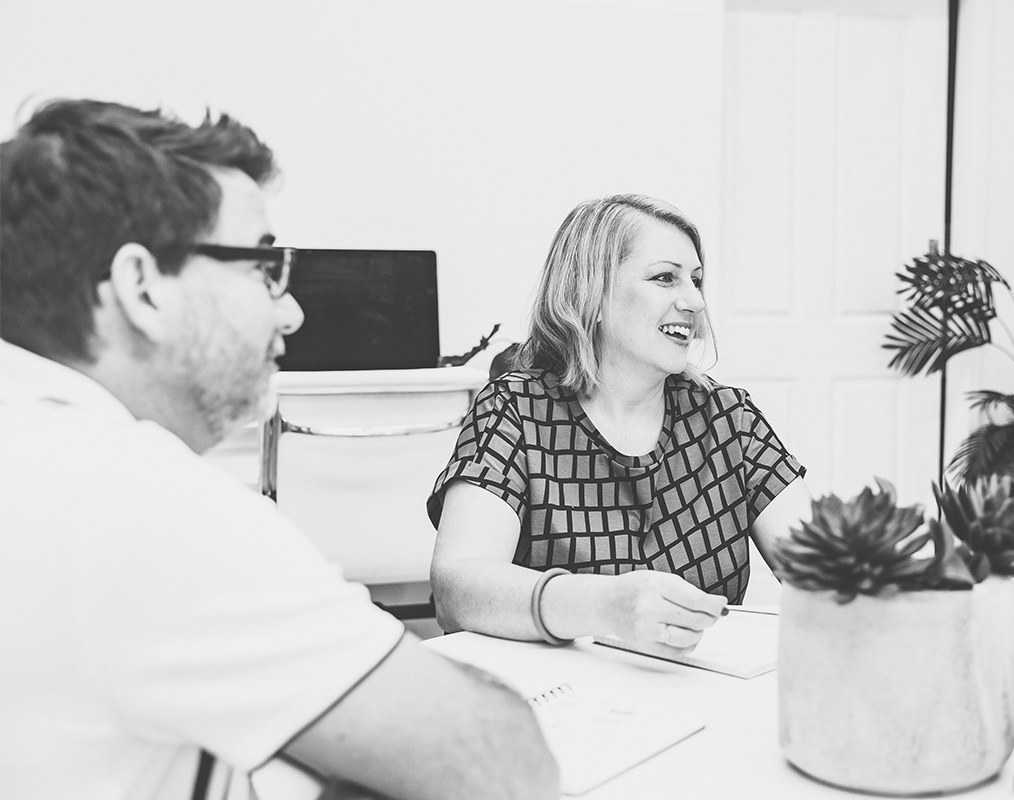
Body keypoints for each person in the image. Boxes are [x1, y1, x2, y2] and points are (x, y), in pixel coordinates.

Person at [0, 99, 557, 800]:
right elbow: (503, 768)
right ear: (142, 287)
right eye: (265, 267)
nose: (290, 311)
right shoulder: (141, 504)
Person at [428, 194, 812, 653]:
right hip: (560, 700)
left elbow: (822, 571)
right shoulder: (515, 409)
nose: (694, 302)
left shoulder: (730, 417)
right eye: (665, 278)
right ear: (589, 293)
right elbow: (457, 586)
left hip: (697, 697)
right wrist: (605, 605)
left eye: (697, 281)